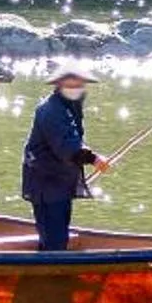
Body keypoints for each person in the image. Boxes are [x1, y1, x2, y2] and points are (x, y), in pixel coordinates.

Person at [20, 65, 102, 250]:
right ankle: (49, 271)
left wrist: (88, 157)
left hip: (59, 183)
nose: (77, 87)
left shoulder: (69, 106)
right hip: (46, 184)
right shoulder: (50, 110)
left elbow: (72, 140)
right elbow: (66, 147)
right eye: (71, 83)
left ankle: (49, 264)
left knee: (57, 235)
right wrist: (94, 158)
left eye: (79, 83)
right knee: (54, 240)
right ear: (59, 84)